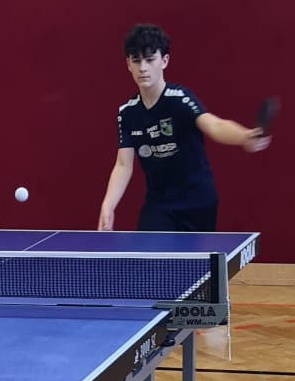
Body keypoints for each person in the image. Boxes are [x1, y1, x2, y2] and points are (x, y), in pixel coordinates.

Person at [98, 22, 269, 232]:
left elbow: (214, 125)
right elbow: (123, 165)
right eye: (136, 60)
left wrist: (244, 136)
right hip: (159, 205)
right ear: (128, 64)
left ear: (164, 61)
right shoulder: (127, 113)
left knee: (196, 255)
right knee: (147, 253)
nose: (143, 68)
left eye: (150, 60)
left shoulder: (180, 100)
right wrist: (108, 204)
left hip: (197, 202)